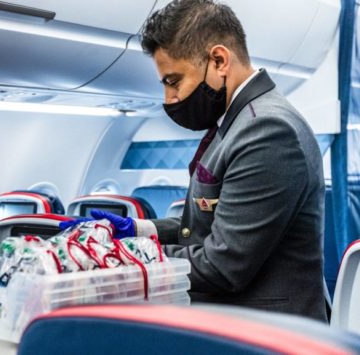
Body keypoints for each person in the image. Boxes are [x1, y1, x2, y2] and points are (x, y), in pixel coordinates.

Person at [63, 0, 326, 321]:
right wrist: (138, 229)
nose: (168, 99)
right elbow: (213, 226)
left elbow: (222, 265)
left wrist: (113, 255)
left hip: (267, 334)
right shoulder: (238, 119)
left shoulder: (266, 129)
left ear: (219, 60)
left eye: (173, 81)